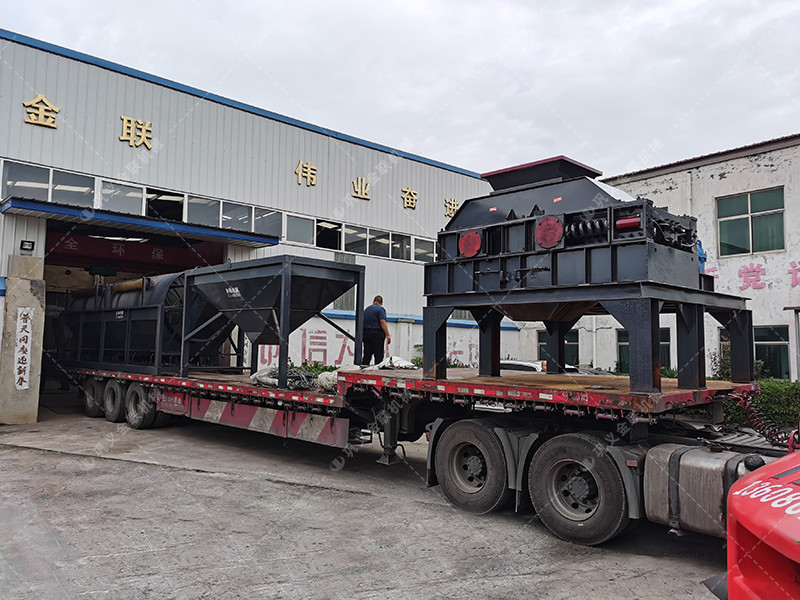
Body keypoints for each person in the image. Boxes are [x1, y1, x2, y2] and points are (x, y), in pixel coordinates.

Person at [362, 295, 391, 366]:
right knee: (378, 354)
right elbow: (382, 322)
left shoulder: (366, 310)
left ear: (373, 301)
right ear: (381, 303)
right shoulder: (380, 310)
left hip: (366, 333)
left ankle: (364, 368)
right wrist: (387, 335)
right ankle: (377, 369)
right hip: (377, 334)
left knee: (367, 354)